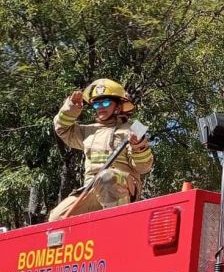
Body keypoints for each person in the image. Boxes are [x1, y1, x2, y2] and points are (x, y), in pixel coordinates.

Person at [49, 79, 153, 221]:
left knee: (107, 177)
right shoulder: (88, 131)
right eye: (97, 104)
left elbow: (143, 167)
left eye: (105, 103)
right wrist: (71, 108)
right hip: (91, 188)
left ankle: (118, 227)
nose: (100, 107)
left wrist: (138, 146)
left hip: (122, 187)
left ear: (118, 106)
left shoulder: (134, 128)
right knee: (57, 217)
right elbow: (62, 129)